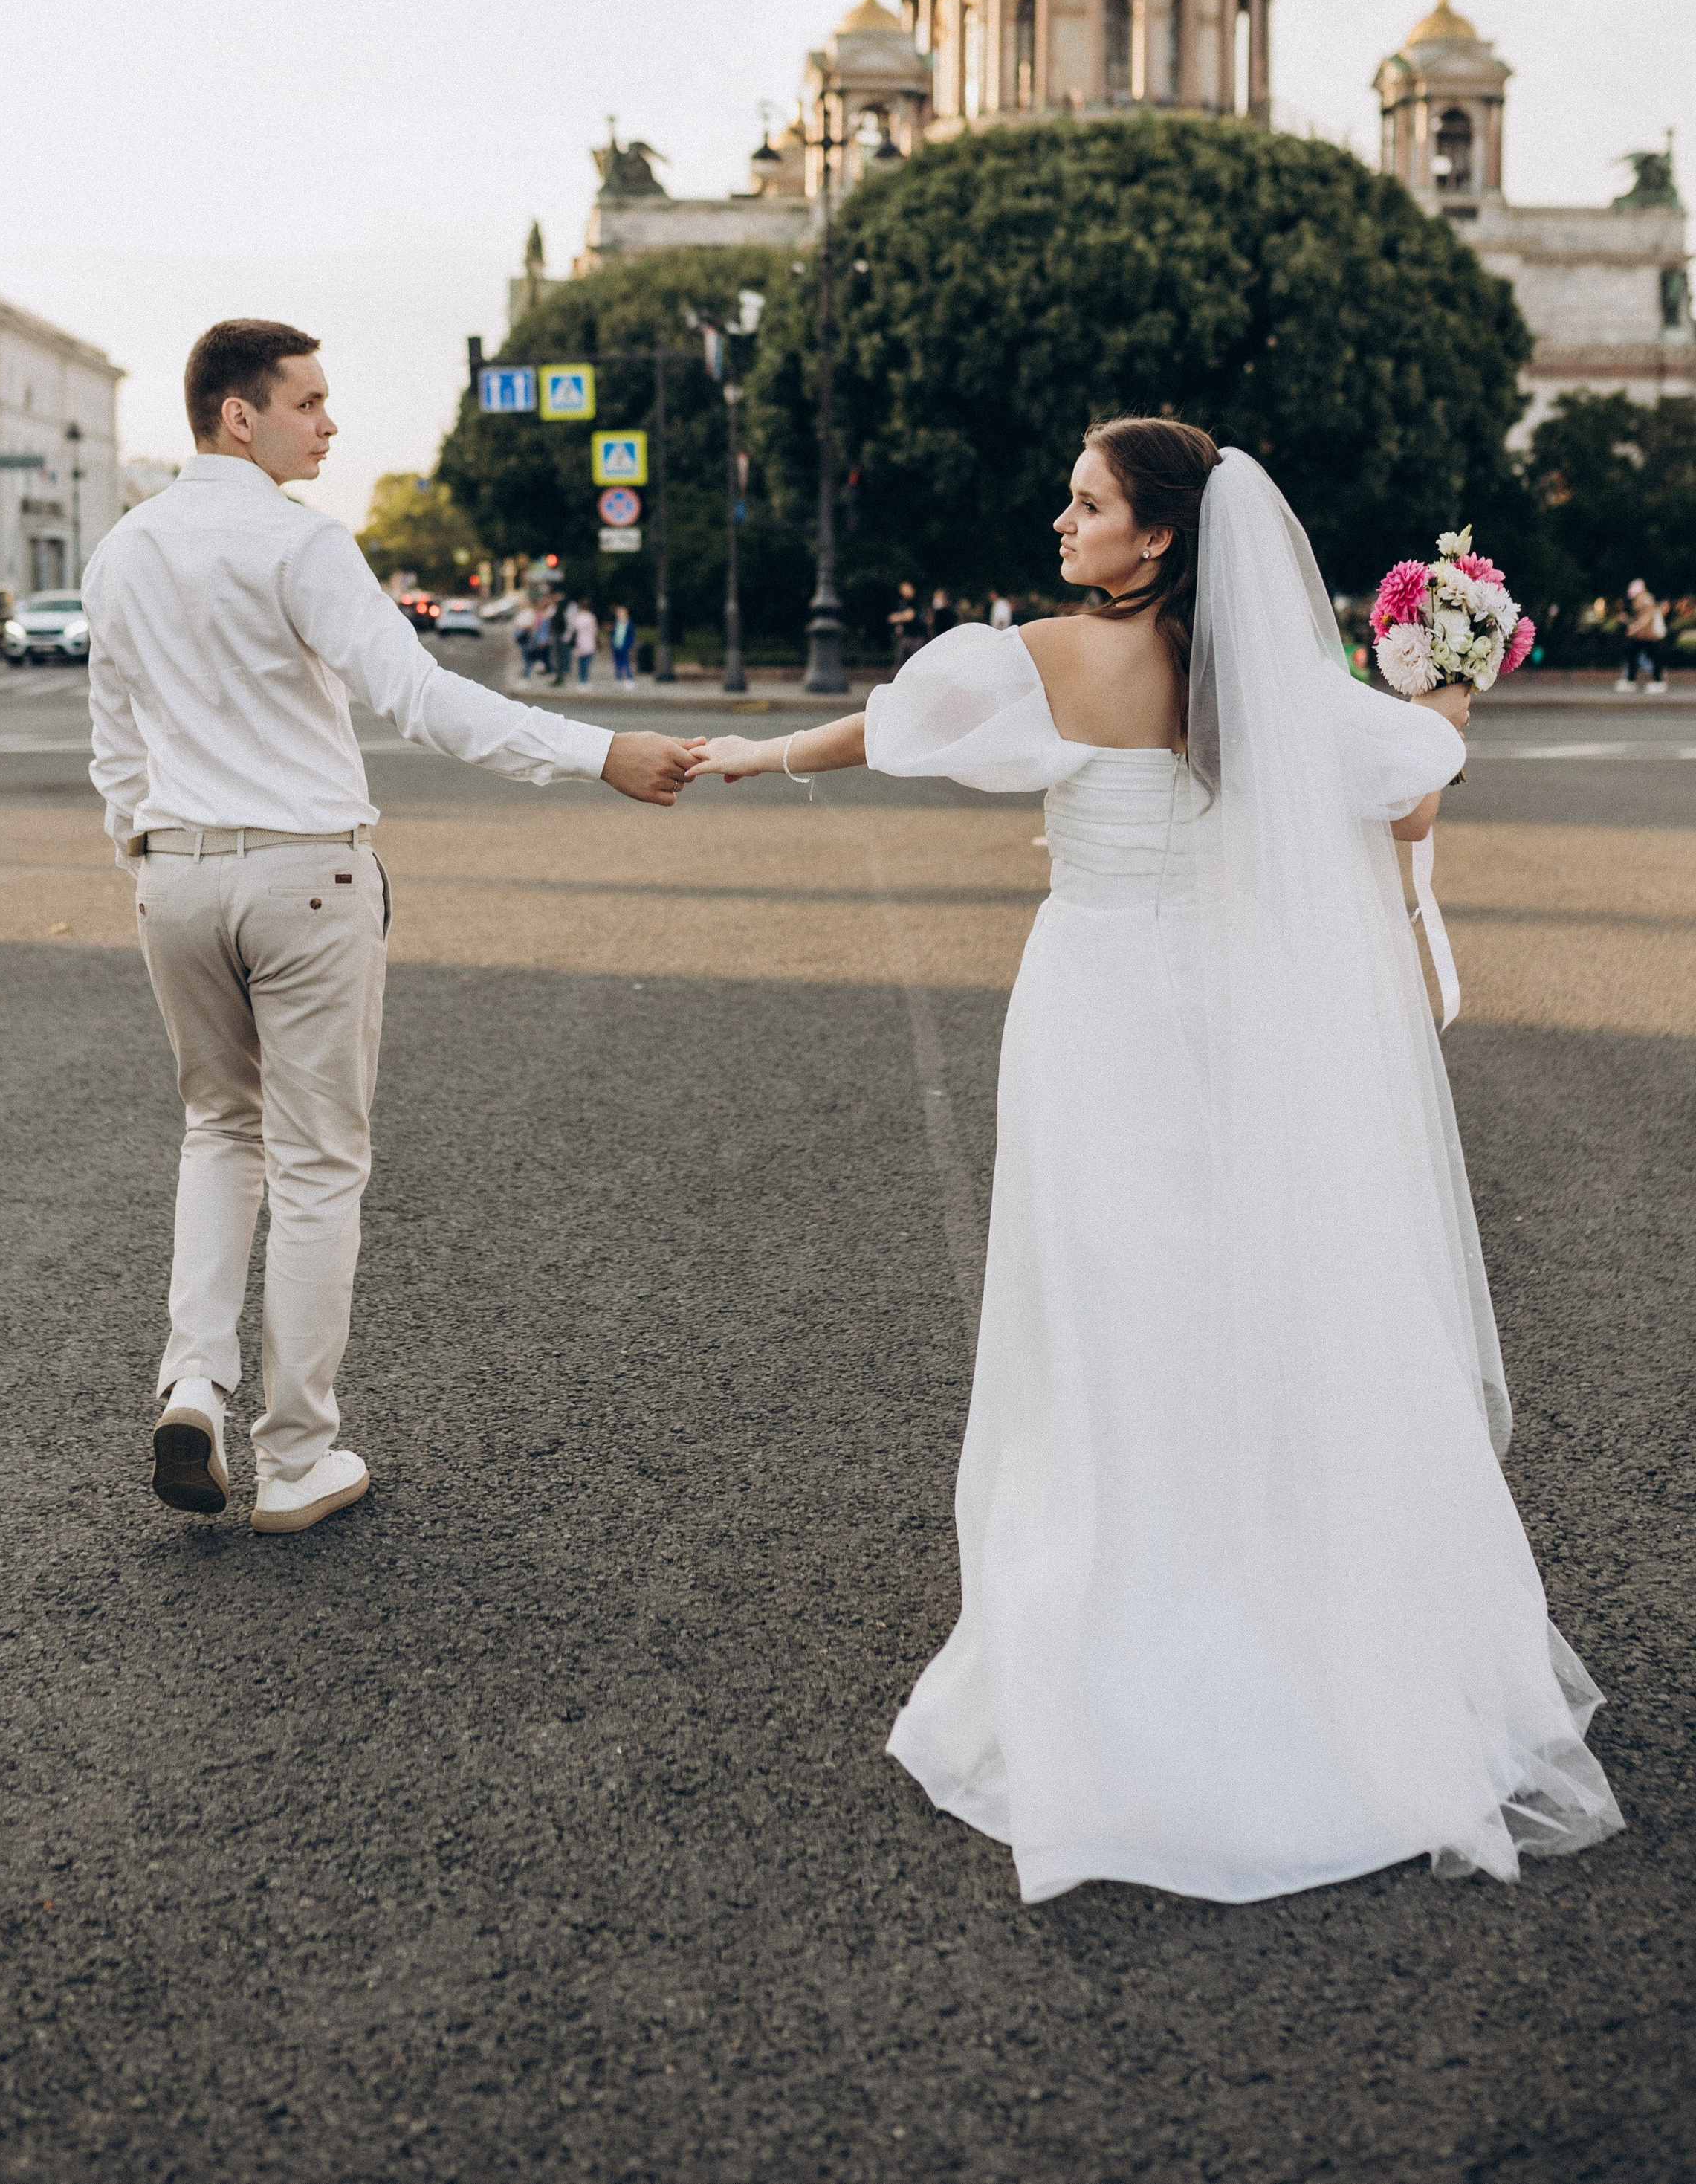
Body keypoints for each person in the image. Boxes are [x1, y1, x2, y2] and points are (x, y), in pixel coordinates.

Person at [687, 416, 1621, 1903]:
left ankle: (1122, 1622)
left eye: (1086, 503)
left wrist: (754, 756)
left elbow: (893, 724)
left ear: (1156, 536)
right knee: (1245, 1294)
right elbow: (1413, 779)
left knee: (1103, 1314)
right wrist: (1449, 668)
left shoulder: (1051, 655)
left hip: (1097, 1008)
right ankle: (1291, 1619)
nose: (1061, 525)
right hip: (1232, 1017)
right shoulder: (1265, 681)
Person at [84, 321, 701, 1535]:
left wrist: (148, 852)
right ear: (237, 416)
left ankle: (193, 1383)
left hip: (172, 877)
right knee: (317, 1164)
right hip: (305, 878)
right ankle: (298, 1455)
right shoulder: (300, 541)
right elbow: (420, 699)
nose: (329, 423)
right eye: (307, 402)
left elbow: (116, 741)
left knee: (218, 1133)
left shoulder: (122, 550)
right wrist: (600, 753)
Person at [1615, 577, 1668, 694]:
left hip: (1649, 636)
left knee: (1651, 657)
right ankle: (1632, 680)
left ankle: (1657, 681)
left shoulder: (1646, 600)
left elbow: (1647, 619)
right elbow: (1641, 619)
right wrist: (1628, 621)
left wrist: (1634, 628)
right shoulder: (1642, 600)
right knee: (1635, 656)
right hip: (1642, 636)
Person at [887, 581, 924, 668]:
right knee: (901, 660)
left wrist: (896, 617)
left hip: (916, 636)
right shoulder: (903, 602)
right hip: (907, 635)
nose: (903, 591)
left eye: (905, 588)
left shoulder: (915, 600)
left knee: (916, 660)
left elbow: (910, 615)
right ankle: (893, 679)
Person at [609, 604, 637, 688]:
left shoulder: (629, 623)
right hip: (616, 646)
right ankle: (618, 678)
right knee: (617, 663)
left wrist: (630, 646)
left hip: (625, 647)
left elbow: (631, 636)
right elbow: (613, 634)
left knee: (625, 663)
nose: (619, 615)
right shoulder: (617, 623)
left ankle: (629, 678)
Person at [572, 600, 599, 687]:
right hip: (589, 641)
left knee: (581, 662)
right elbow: (594, 630)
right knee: (587, 662)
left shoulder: (579, 617)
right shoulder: (591, 617)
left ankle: (581, 679)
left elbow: (576, 628)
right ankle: (585, 679)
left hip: (580, 641)